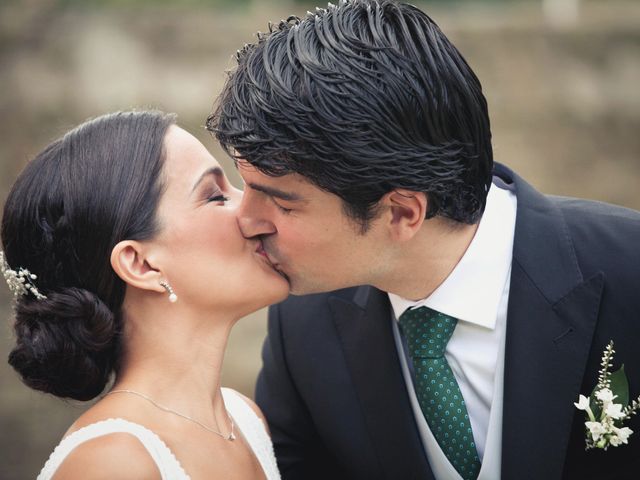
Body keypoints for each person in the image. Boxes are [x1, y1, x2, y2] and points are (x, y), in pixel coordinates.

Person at [207, 1, 640, 479]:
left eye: (283, 203)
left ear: (402, 212)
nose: (244, 219)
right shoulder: (303, 324)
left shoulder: (628, 270)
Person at [1, 110, 287, 479]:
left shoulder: (247, 420)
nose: (250, 209)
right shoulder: (112, 462)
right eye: (215, 196)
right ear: (141, 264)